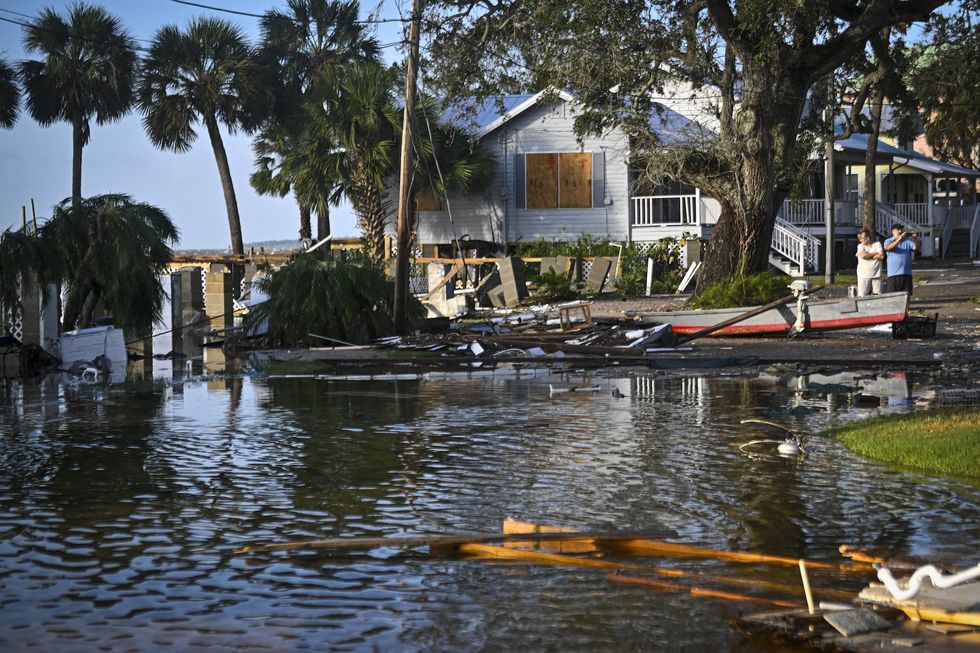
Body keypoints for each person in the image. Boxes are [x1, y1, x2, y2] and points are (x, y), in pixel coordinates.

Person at [883, 225, 919, 295]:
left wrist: (915, 238)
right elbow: (888, 248)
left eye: (901, 230)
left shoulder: (907, 241)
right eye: (898, 229)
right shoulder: (888, 241)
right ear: (893, 231)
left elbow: (916, 248)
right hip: (893, 274)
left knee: (906, 295)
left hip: (906, 273)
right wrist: (899, 239)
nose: (900, 231)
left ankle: (906, 306)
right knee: (892, 295)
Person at [855, 228, 883, 296]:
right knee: (862, 295)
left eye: (862, 238)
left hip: (877, 274)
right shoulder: (860, 246)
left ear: (868, 237)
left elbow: (881, 256)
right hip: (863, 275)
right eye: (859, 238)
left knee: (878, 295)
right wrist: (875, 253)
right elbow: (863, 256)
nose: (860, 240)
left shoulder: (877, 244)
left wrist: (868, 256)